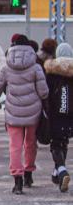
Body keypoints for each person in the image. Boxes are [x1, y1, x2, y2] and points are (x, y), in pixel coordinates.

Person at [0, 34, 49, 195]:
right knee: (30, 144)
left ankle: (17, 181)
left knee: (14, 146)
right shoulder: (36, 67)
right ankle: (28, 172)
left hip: (13, 113)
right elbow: (44, 92)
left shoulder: (6, 67)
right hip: (33, 113)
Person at [43, 42, 73, 193]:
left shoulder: (51, 71)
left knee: (56, 144)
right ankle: (57, 173)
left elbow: (45, 93)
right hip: (71, 116)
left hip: (56, 115)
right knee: (64, 141)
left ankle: (61, 170)